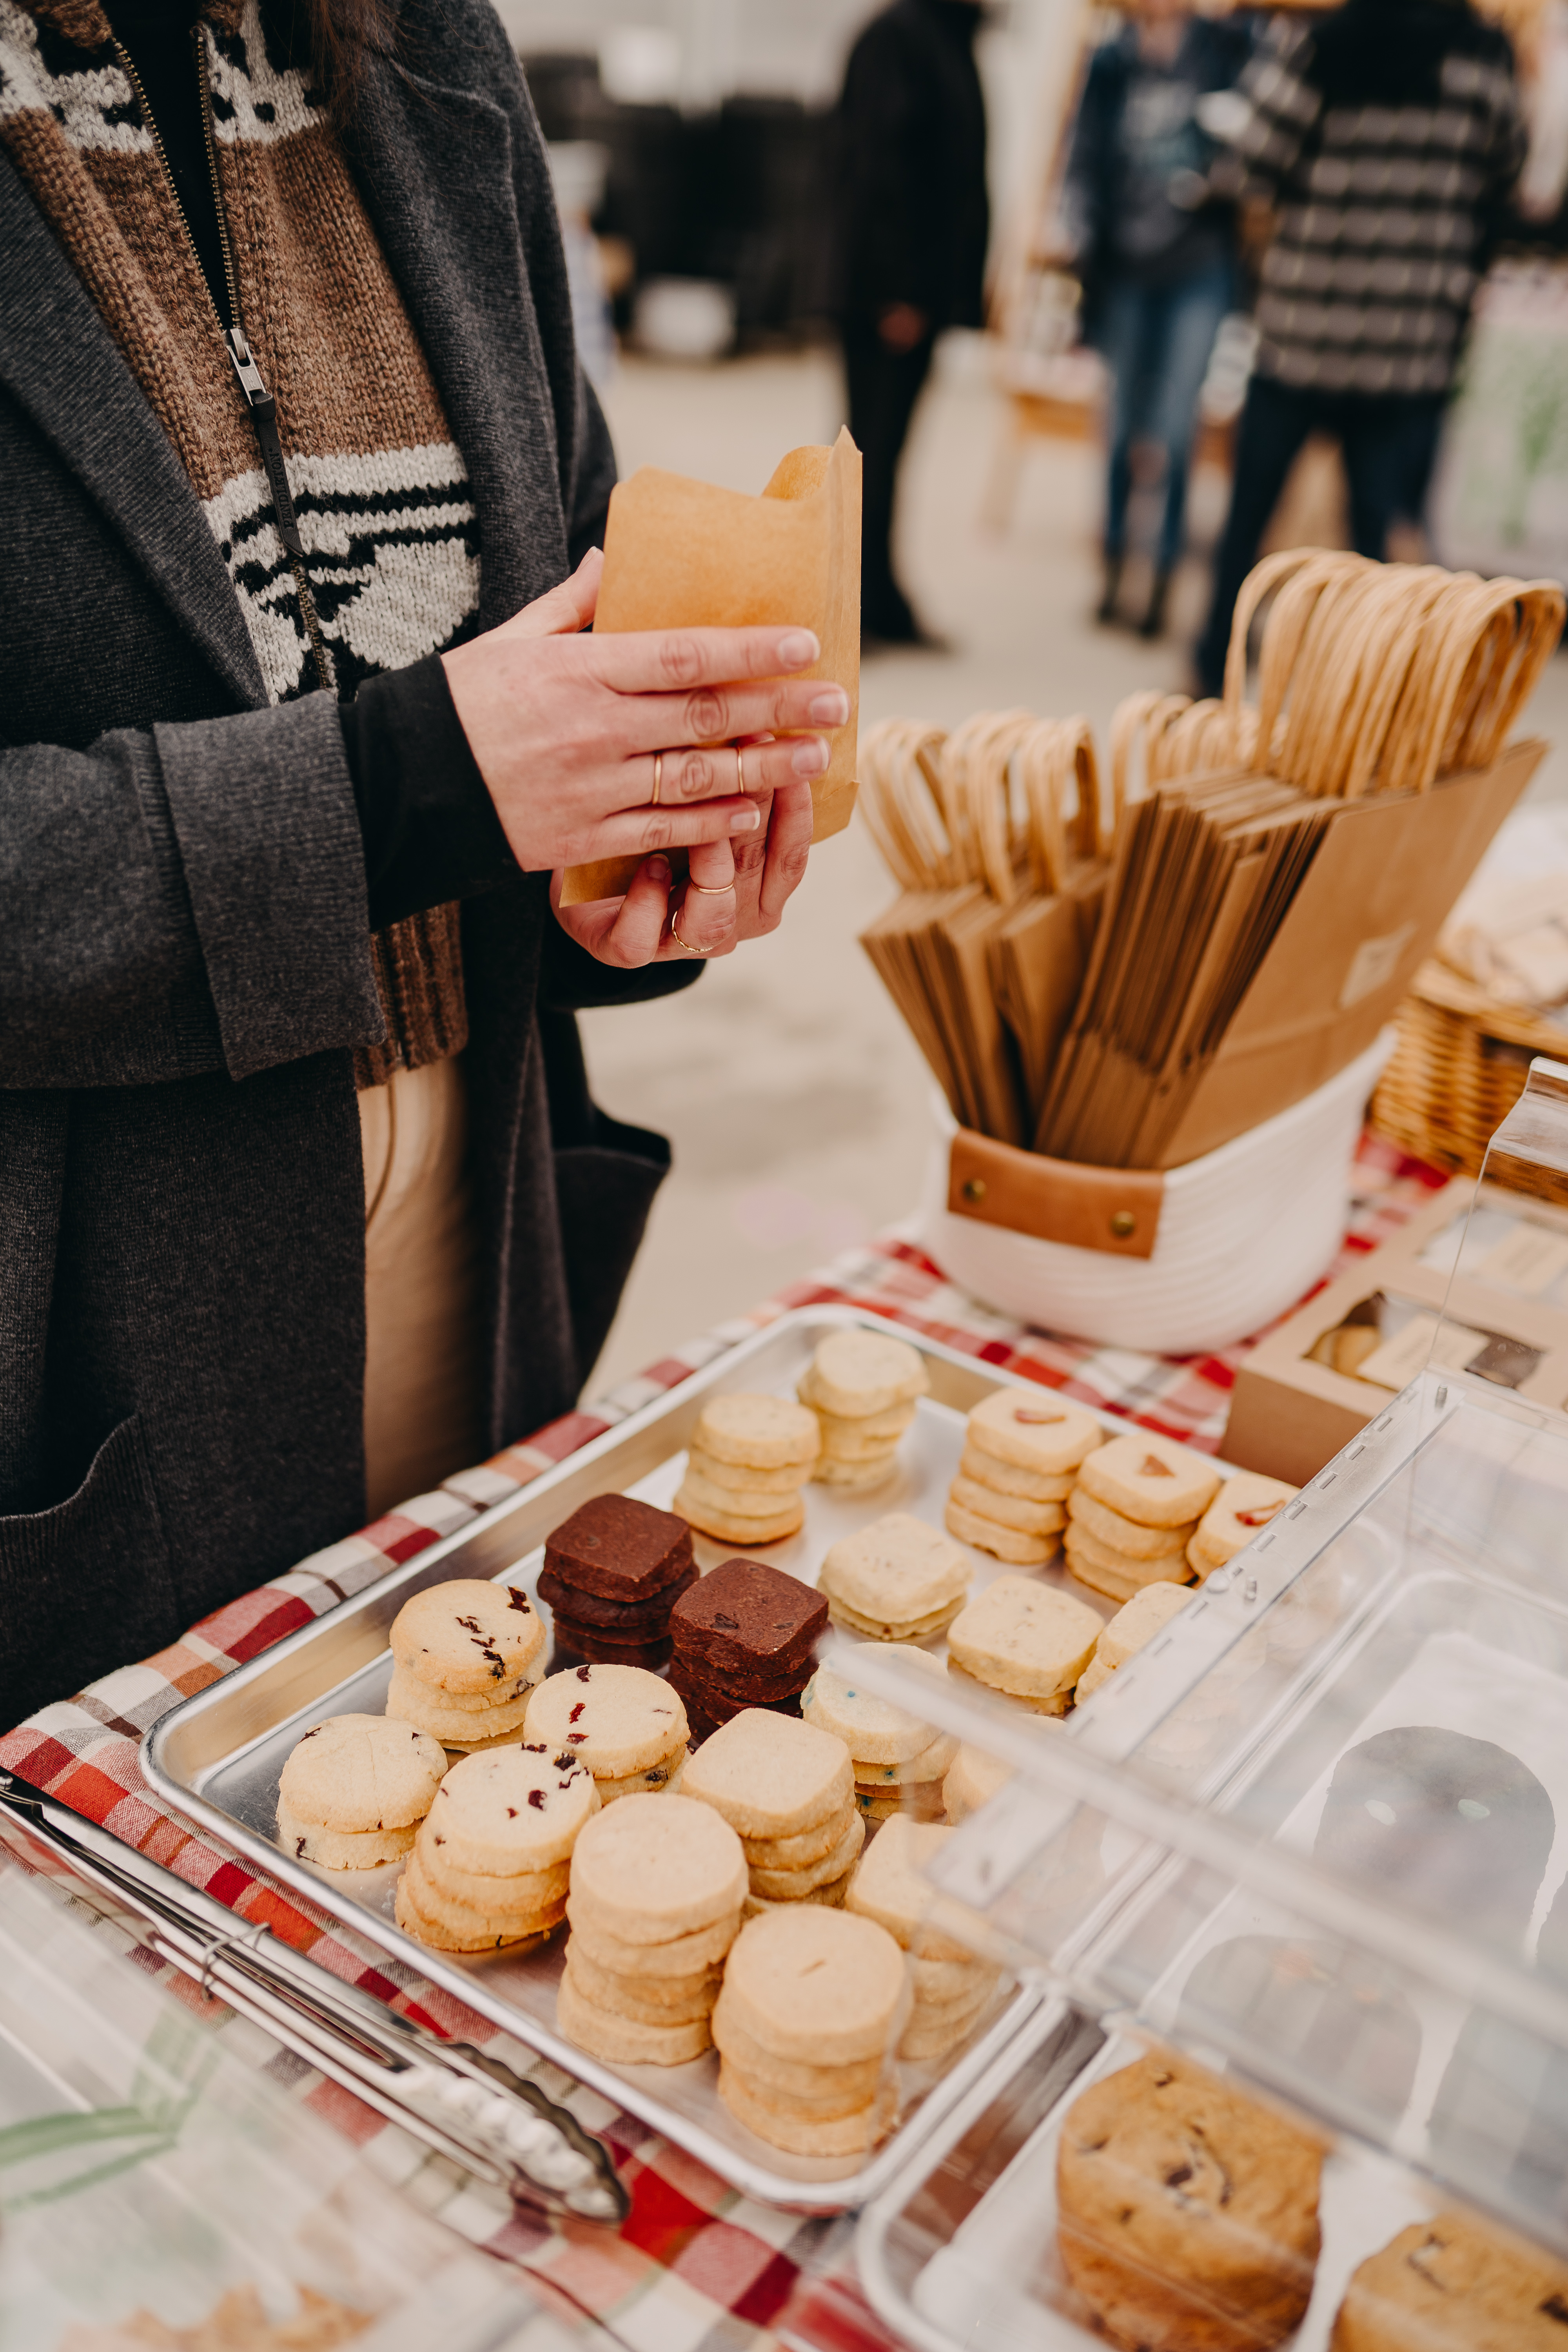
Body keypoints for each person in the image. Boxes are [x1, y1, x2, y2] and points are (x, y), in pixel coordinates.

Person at [0, 0, 849, 1724]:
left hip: (471, 1218)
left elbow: (566, 576)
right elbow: (434, 769)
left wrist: (647, 844)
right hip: (94, 1306)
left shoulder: (417, 45)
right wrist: (409, 789)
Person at [1194, 0, 1526, 697]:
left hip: (1305, 328)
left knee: (1252, 514)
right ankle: (1349, 690)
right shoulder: (1484, 60)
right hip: (1407, 343)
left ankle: (1212, 665)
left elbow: (1252, 159)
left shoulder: (1323, 47)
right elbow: (1508, 175)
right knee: (1372, 539)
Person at [1063, 1, 1251, 640]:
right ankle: (1114, 564)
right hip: (1124, 268)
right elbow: (1083, 156)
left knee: (1176, 429)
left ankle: (1165, 575)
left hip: (1197, 267)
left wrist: (1217, 177)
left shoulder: (1227, 48)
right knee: (1120, 427)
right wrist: (1081, 227)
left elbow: (1253, 143)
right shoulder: (1112, 59)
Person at [835, 0, 989, 646]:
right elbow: (874, 168)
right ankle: (847, 609)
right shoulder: (895, 38)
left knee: (889, 457)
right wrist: (894, 290)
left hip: (923, 297)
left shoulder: (949, 35)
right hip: (887, 299)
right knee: (863, 458)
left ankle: (882, 601)